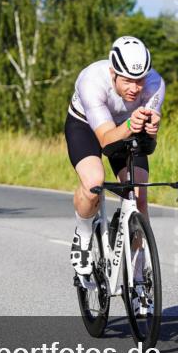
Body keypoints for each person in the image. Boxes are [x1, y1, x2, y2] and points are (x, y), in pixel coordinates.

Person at [65, 36, 164, 276]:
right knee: (93, 184)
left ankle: (139, 272)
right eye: (127, 80)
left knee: (138, 196)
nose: (134, 88)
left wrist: (152, 129)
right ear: (113, 73)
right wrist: (131, 124)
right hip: (86, 125)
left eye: (139, 80)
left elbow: (147, 140)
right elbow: (106, 140)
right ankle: (83, 235)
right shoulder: (91, 81)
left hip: (127, 125)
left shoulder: (155, 83)